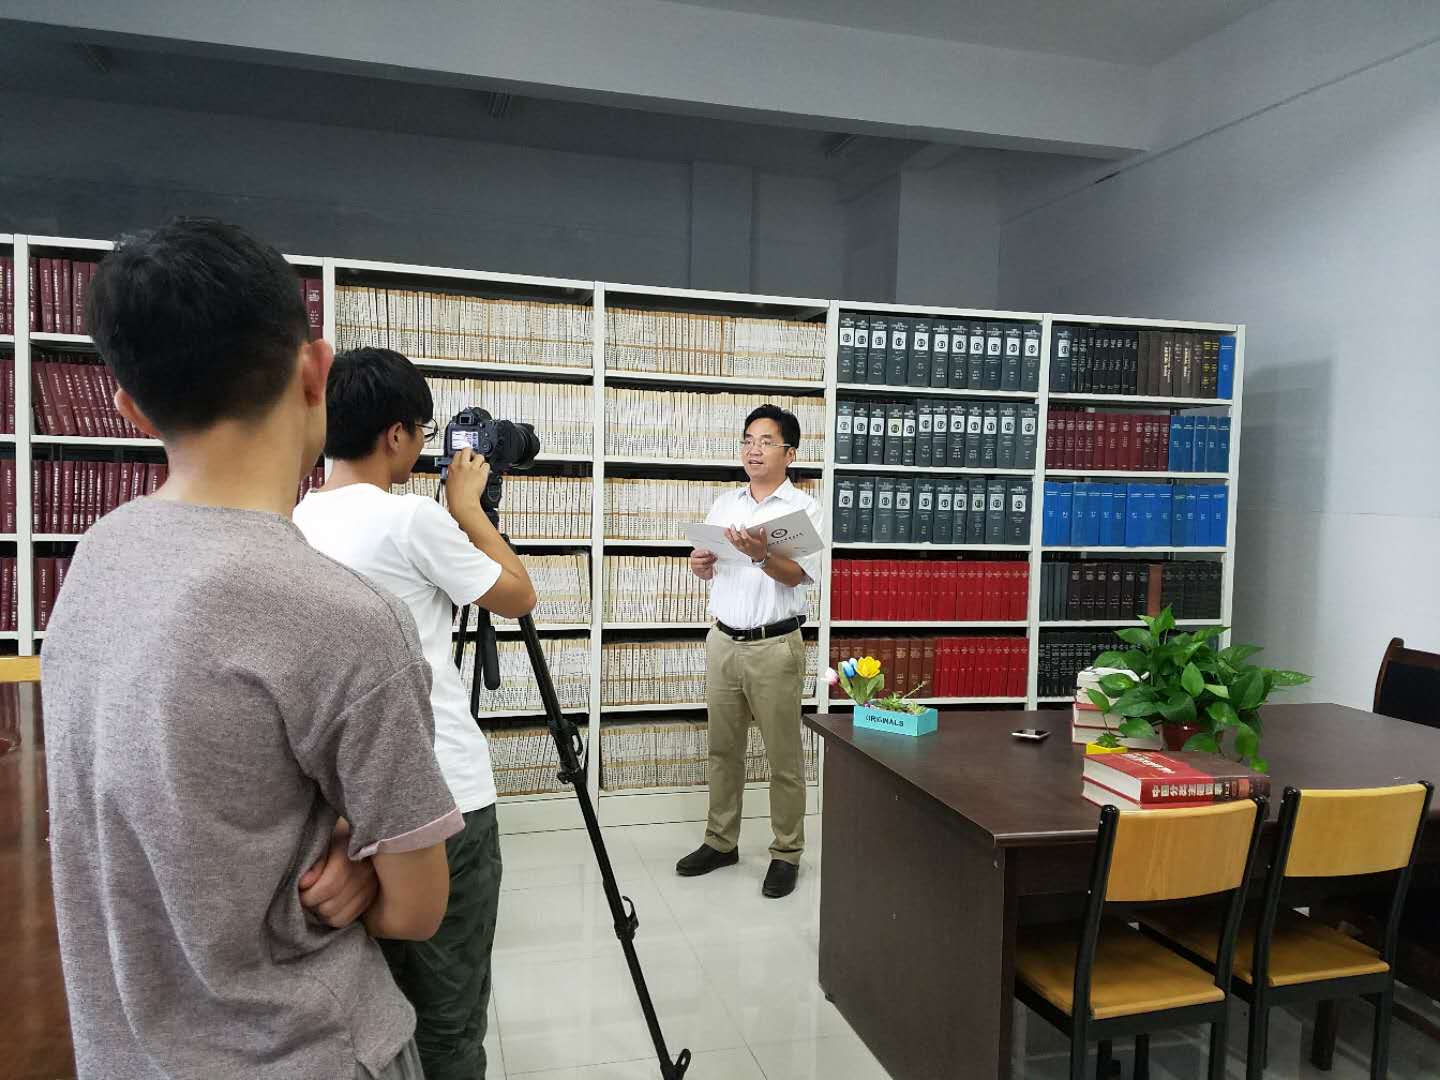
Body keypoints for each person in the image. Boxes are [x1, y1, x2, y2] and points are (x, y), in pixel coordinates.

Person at [43, 218, 460, 1080]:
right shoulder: (347, 619)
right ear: (315, 370)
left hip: (125, 1052)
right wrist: (362, 854)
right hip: (308, 1051)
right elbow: (418, 910)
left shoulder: (99, 554)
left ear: (129, 407)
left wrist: (337, 833)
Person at [293, 347, 536, 1080]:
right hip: (443, 796)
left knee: (375, 1004)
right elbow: (517, 596)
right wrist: (467, 510)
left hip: (346, 802)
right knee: (448, 1016)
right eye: (424, 434)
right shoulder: (410, 521)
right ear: (396, 434)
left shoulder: (293, 519)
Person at [676, 404, 823, 899]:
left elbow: (798, 576)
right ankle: (721, 842)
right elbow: (708, 566)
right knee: (722, 750)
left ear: (790, 453)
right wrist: (700, 565)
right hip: (723, 641)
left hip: (774, 645)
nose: (753, 450)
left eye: (765, 441)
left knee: (783, 757)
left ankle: (787, 852)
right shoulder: (725, 503)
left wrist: (763, 555)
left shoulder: (804, 510)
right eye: (747, 440)